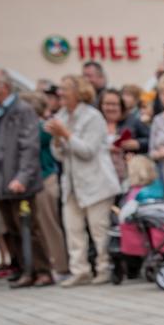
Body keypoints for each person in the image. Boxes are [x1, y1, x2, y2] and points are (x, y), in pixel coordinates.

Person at [44, 74, 121, 287]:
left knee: (99, 229)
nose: (60, 93)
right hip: (72, 184)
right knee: (73, 229)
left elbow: (87, 151)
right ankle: (80, 270)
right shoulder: (61, 116)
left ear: (78, 92)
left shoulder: (93, 117)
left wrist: (65, 134)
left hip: (96, 182)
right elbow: (58, 155)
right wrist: (57, 139)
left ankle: (104, 268)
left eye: (65, 89)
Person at [0, 68, 50, 288]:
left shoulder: (22, 110)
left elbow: (29, 147)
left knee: (28, 228)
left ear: (5, 86)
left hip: (19, 183)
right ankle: (23, 268)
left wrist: (22, 177)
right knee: (11, 228)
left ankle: (41, 270)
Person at [21, 91, 70, 281]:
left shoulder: (43, 128)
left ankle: (60, 266)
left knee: (50, 225)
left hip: (46, 179)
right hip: (35, 181)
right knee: (40, 226)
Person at [99, 88, 148, 183]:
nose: (111, 108)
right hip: (102, 174)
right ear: (101, 106)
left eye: (114, 104)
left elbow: (151, 140)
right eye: (107, 104)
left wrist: (137, 144)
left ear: (121, 106)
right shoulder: (96, 123)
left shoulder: (132, 121)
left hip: (129, 173)